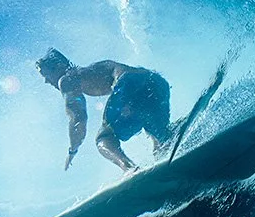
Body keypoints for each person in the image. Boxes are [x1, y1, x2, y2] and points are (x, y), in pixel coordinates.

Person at [36, 48, 171, 172]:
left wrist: (73, 150)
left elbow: (78, 118)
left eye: (46, 75)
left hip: (129, 83)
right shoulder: (94, 69)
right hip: (156, 81)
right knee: (160, 144)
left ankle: (130, 168)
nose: (47, 82)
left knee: (104, 137)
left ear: (59, 66)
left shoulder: (66, 79)